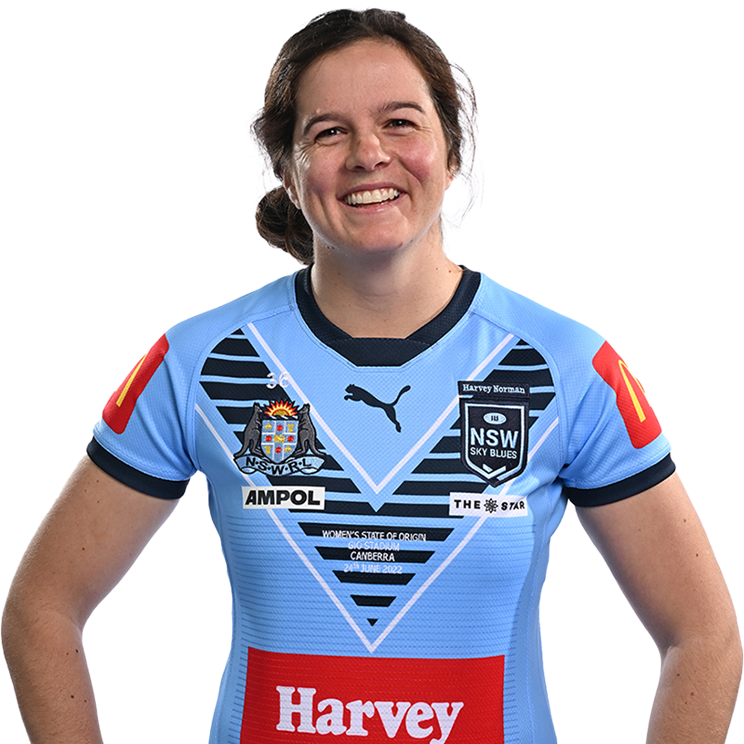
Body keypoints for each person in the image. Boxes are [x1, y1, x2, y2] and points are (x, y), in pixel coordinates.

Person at [2, 5, 741, 743]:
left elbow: (704, 635)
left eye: (400, 122)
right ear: (287, 171)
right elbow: (41, 608)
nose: (368, 154)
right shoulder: (202, 360)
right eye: (329, 132)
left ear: (452, 152)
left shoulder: (565, 366)